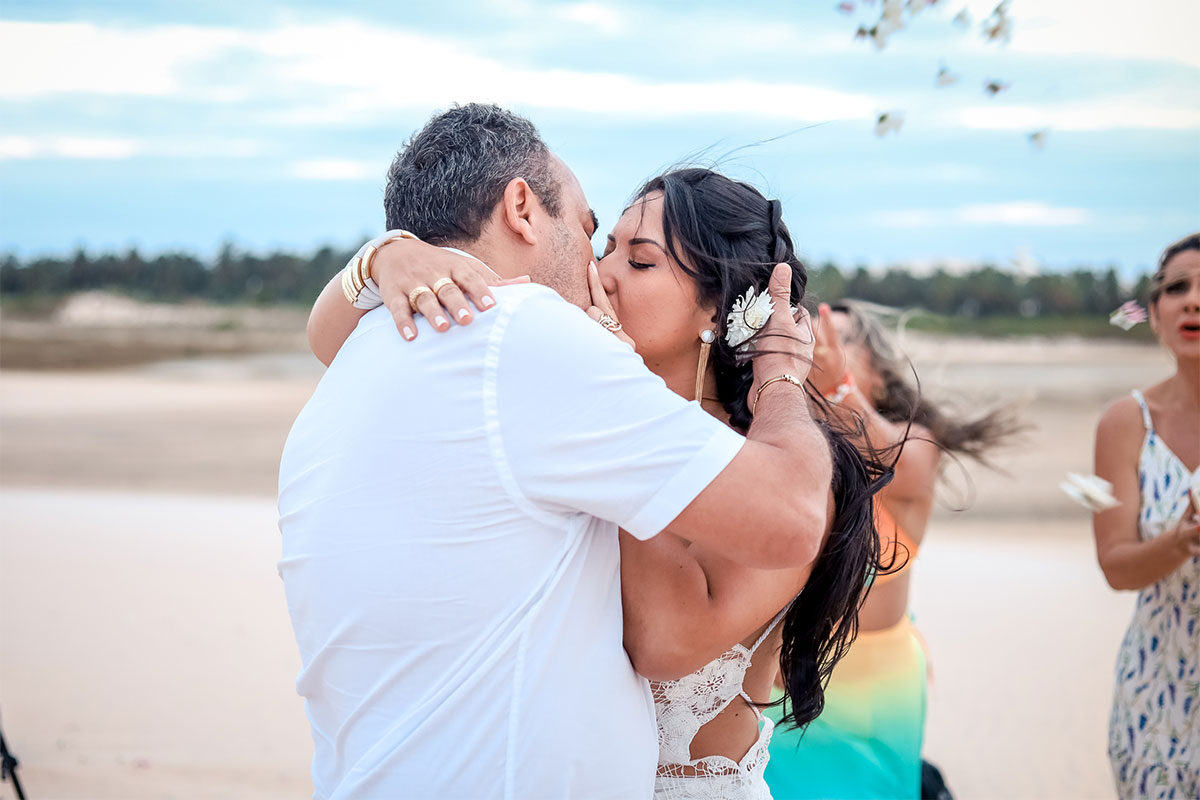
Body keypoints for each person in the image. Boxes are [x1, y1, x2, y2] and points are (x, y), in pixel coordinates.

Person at [278, 104, 836, 800]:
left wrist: (780, 377)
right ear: (521, 208)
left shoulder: (771, 464)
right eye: (600, 243)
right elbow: (329, 336)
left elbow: (669, 631)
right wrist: (388, 253)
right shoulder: (549, 378)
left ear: (717, 311)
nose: (601, 271)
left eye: (638, 259)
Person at [764, 299, 1022, 800]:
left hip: (876, 695)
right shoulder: (778, 454)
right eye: (808, 335)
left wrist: (840, 390)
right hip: (778, 692)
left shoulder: (915, 446)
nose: (816, 347)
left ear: (878, 375)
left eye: (836, 338)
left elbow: (897, 461)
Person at [1094, 233, 1200, 799]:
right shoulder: (1126, 422)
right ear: (1155, 313)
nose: (1193, 301)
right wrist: (1184, 540)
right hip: (1156, 691)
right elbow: (1115, 565)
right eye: (1177, 288)